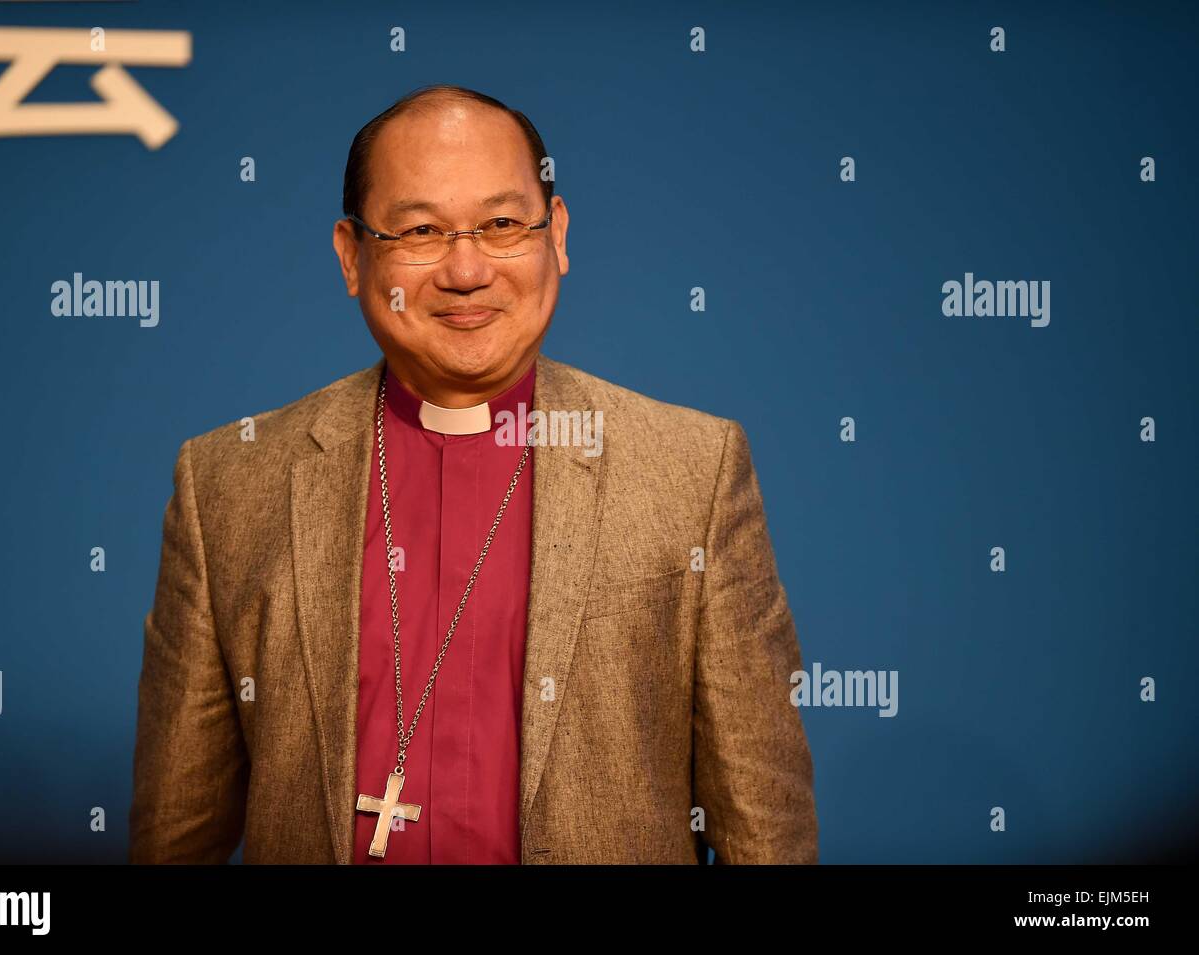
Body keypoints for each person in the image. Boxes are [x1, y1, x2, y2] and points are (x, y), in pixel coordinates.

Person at [129, 84, 818, 864]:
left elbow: (768, 835)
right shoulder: (228, 483)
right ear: (353, 257)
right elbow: (174, 837)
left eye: (500, 225)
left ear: (556, 235)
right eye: (420, 230)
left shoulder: (692, 472)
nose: (465, 269)